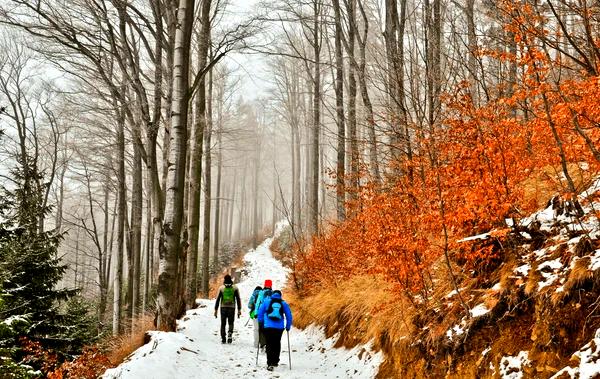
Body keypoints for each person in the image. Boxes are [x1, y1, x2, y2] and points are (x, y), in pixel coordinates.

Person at [257, 289, 292, 371]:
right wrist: (288, 326)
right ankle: (275, 361)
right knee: (277, 343)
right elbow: (289, 316)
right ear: (280, 295)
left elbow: (260, 313)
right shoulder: (283, 303)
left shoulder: (266, 301)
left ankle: (269, 363)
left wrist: (261, 323)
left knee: (269, 344)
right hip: (279, 328)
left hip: (268, 326)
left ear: (272, 294)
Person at [214, 274, 242, 344]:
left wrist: (216, 310)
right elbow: (238, 299)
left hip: (223, 307)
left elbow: (217, 299)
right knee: (231, 322)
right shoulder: (235, 288)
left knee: (223, 323)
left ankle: (223, 338)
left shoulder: (221, 288)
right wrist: (239, 309)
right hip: (232, 308)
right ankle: (230, 334)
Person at [255, 279, 273, 349]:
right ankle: (268, 344)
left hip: (262, 313)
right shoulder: (272, 292)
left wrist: (256, 313)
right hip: (269, 314)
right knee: (268, 329)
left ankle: (263, 344)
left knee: (261, 329)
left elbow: (257, 303)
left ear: (264, 285)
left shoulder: (261, 292)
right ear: (271, 285)